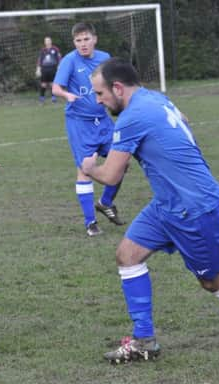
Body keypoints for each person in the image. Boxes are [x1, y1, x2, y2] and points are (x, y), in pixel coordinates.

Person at [81, 57, 219, 364]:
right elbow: (185, 121)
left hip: (194, 209)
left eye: (100, 94)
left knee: (214, 281)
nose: (99, 102)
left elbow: (111, 176)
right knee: (127, 254)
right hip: (168, 204)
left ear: (117, 88)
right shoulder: (155, 98)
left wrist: (89, 168)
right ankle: (144, 341)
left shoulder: (131, 118)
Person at [52, 23, 125, 237]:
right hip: (80, 123)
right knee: (85, 168)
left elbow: (113, 83)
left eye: (86, 39)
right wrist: (67, 95)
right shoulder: (69, 61)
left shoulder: (104, 57)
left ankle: (105, 203)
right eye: (78, 40)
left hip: (103, 120)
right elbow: (56, 88)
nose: (82, 44)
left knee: (122, 160)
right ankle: (90, 223)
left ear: (95, 39)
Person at [35, 36, 61, 105]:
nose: (48, 42)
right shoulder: (43, 50)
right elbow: (39, 60)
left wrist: (59, 66)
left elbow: (59, 58)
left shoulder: (55, 49)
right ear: (44, 42)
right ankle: (42, 99)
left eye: (49, 40)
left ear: (51, 41)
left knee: (53, 84)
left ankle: (54, 99)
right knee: (43, 84)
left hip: (53, 68)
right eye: (46, 41)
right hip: (44, 69)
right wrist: (38, 69)